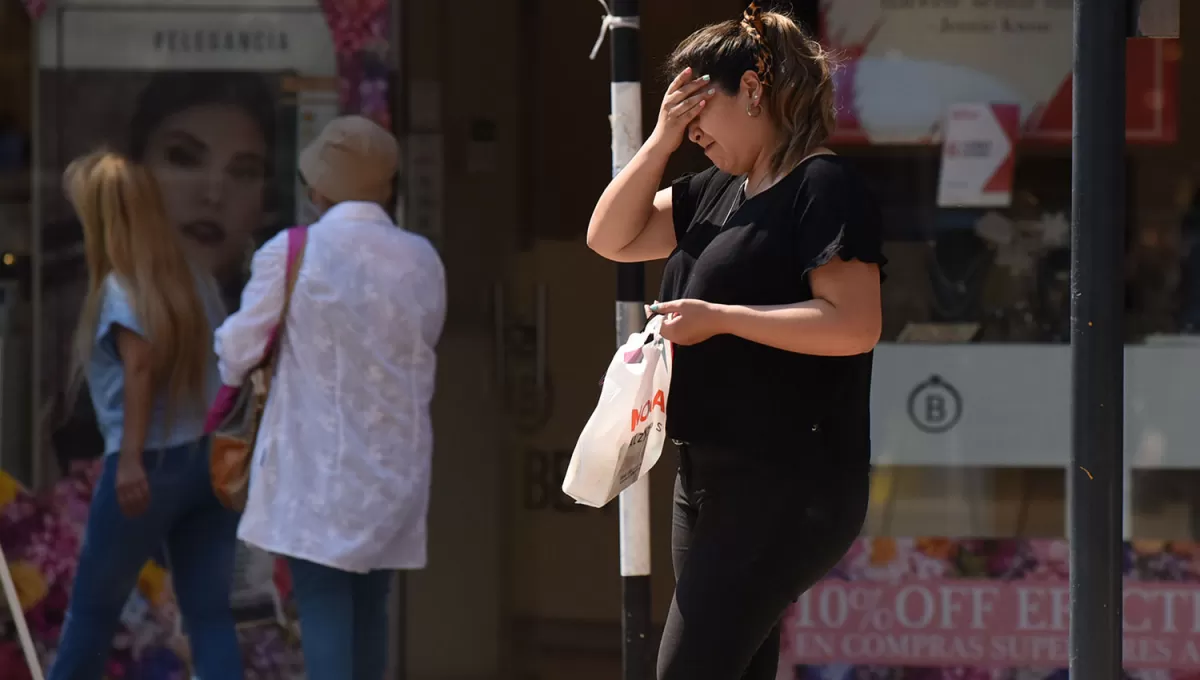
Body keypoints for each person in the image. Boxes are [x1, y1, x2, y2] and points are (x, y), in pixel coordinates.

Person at [586, 5, 885, 679]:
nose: (691, 127)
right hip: (704, 480)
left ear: (753, 90)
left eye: (697, 105)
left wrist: (722, 316)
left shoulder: (822, 186)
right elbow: (609, 238)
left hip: (787, 483)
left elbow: (854, 325)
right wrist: (659, 140)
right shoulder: (717, 190)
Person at [214, 115, 446, 680]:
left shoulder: (293, 252)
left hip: (314, 472)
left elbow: (237, 349)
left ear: (318, 187)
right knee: (371, 614)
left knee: (321, 609)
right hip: (396, 470)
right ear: (386, 187)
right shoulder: (421, 258)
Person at [49, 151, 241, 679]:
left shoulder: (120, 287)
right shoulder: (194, 278)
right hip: (208, 461)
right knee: (210, 616)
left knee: (92, 611)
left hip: (149, 464)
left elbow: (140, 367)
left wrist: (130, 459)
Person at [47, 70, 276, 476]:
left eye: (243, 171)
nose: (213, 193)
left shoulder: (270, 317)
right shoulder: (84, 301)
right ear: (136, 175)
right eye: (184, 158)